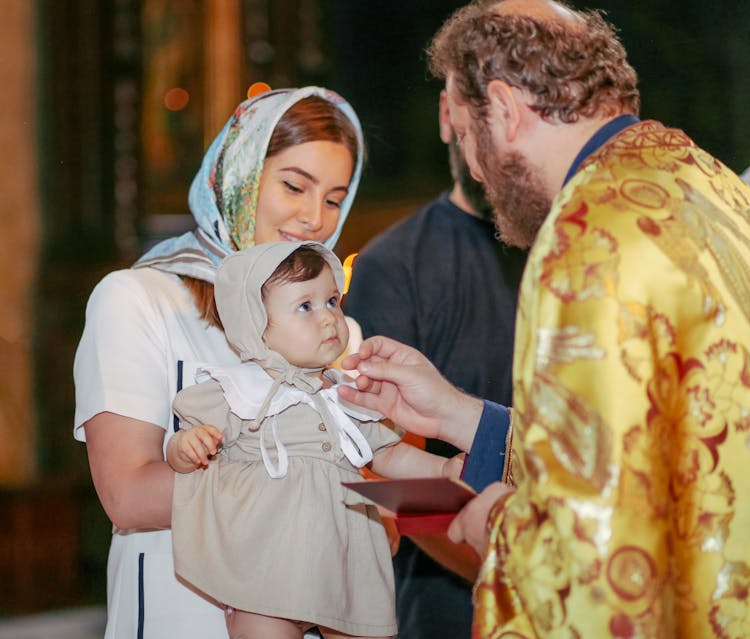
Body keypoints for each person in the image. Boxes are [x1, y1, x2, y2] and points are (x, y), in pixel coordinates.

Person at [338, 1, 750, 637]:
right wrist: (457, 414)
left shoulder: (586, 237)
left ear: (503, 108)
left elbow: (596, 565)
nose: (475, 169)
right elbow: (638, 450)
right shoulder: (703, 180)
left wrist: (497, 522)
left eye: (468, 136)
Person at [73, 86, 366, 639]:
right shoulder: (138, 299)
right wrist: (310, 484)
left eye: (333, 199)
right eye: (293, 186)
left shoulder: (334, 329)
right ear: (241, 176)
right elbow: (129, 497)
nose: (313, 218)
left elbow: (363, 496)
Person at [167, 241, 457, 639]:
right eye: (306, 306)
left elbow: (388, 454)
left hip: (346, 556)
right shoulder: (240, 392)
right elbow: (181, 447)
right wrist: (186, 448)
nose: (328, 319)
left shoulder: (347, 394)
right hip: (267, 564)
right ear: (255, 322)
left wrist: (443, 469)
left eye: (332, 301)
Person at [344, 89, 526, 639]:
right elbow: (384, 467)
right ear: (449, 114)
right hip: (449, 601)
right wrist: (515, 575)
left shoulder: (574, 246)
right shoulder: (393, 266)